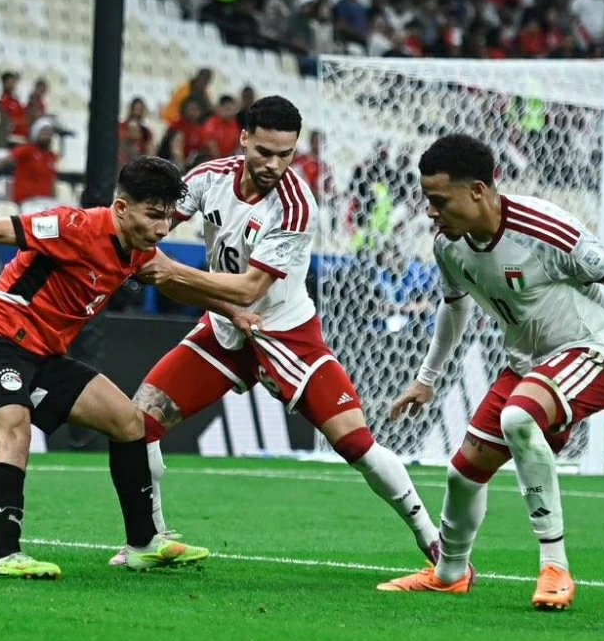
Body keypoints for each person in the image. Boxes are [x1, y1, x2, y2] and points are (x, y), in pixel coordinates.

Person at [376, 134, 604, 608]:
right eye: (427, 199)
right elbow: (454, 306)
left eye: (439, 200)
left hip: (596, 353)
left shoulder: (544, 229)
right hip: (528, 367)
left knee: (517, 417)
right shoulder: (448, 247)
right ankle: (449, 573)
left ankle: (555, 567)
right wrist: (427, 379)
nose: (430, 212)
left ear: (478, 191)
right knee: (463, 474)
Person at [107, 96, 439, 566]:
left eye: (285, 154)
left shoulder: (295, 207)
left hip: (285, 334)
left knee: (356, 444)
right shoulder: (207, 179)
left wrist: (170, 270)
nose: (274, 164)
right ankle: (150, 541)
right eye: (264, 151)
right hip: (224, 330)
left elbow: (249, 289)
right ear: (243, 138)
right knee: (139, 422)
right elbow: (149, 220)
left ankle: (433, 541)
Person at [0, 157, 231, 578]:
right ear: (121, 208)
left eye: (168, 217)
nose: (163, 228)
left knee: (129, 422)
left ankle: (142, 545)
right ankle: (6, 556)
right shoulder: (74, 227)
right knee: (15, 433)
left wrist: (235, 313)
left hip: (43, 358)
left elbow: (173, 281)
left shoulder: (138, 250)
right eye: (153, 215)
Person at [0, 118, 58, 203]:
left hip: (45, 201)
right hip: (26, 200)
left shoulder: (51, 156)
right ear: (37, 133)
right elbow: (7, 159)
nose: (47, 136)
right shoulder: (27, 150)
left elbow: (52, 181)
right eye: (44, 132)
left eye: (49, 133)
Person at [202, 95, 241, 159]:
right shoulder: (212, 123)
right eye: (228, 109)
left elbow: (237, 145)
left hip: (229, 159)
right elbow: (211, 145)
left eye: (233, 110)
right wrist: (220, 162)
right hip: (212, 160)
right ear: (219, 108)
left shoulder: (235, 124)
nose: (231, 113)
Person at [0, 71, 29, 140]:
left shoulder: (16, 100)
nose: (13, 84)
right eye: (11, 81)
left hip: (23, 134)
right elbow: (5, 120)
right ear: (5, 83)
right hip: (13, 137)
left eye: (14, 81)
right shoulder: (3, 100)